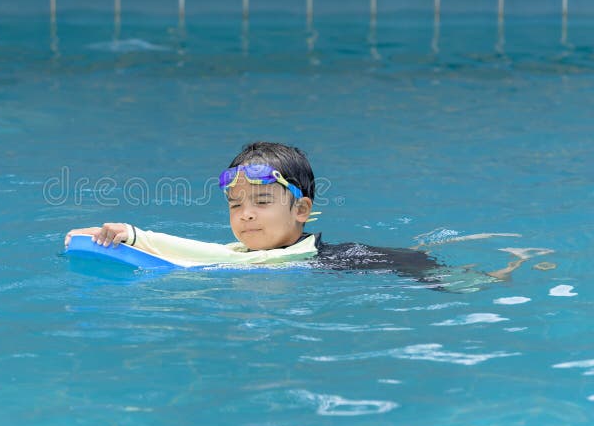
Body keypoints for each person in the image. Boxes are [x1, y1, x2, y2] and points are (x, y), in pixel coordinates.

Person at [64, 142, 548, 288]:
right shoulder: (246, 251)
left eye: (260, 202)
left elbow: (206, 257)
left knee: (459, 278)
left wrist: (135, 235)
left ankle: (513, 264)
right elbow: (212, 252)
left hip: (371, 260)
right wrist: (128, 236)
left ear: (301, 211)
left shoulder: (289, 259)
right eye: (235, 205)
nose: (245, 216)